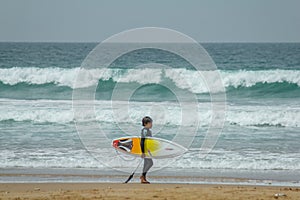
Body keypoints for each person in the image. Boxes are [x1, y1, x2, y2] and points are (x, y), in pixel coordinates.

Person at [140, 116, 153, 184]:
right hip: (144, 150)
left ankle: (143, 177)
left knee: (147, 163)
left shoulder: (148, 131)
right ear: (145, 123)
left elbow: (149, 142)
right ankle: (143, 176)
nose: (151, 124)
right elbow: (142, 141)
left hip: (147, 150)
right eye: (150, 123)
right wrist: (143, 152)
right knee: (150, 163)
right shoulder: (145, 131)